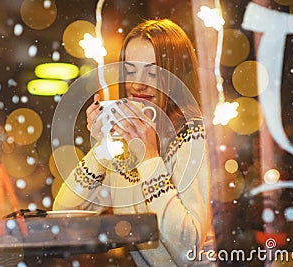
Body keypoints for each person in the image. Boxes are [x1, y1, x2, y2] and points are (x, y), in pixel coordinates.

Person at [53, 19, 215, 266]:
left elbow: (187, 249)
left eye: (152, 72)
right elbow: (62, 214)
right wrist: (102, 147)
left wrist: (150, 158)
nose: (138, 84)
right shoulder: (125, 145)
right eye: (130, 70)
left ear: (175, 77)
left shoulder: (194, 135)